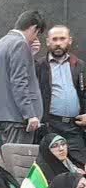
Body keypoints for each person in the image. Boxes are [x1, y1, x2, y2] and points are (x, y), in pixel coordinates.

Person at [0, 10, 47, 145]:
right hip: (19, 118)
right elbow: (19, 82)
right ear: (34, 28)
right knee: (18, 157)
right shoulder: (20, 44)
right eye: (37, 34)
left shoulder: (2, 42)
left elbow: (10, 74)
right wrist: (30, 114)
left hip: (5, 115)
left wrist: (30, 54)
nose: (35, 39)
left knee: (10, 155)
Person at [35, 25, 86, 164]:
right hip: (50, 126)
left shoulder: (80, 65)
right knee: (51, 167)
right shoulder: (39, 65)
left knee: (82, 165)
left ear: (69, 40)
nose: (58, 43)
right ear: (47, 41)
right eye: (54, 39)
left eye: (62, 39)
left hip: (75, 127)